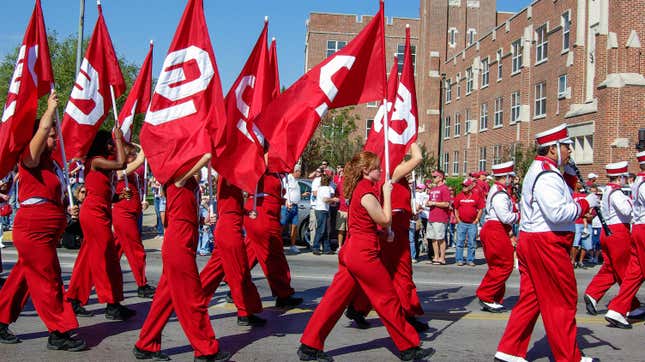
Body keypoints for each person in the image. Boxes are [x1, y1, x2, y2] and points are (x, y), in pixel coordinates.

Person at [298, 151, 434, 362]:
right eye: (377, 167)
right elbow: (386, 219)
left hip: (355, 250)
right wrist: (388, 194)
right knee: (387, 298)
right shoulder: (367, 193)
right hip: (363, 254)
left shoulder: (362, 189)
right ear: (365, 170)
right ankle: (408, 347)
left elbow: (363, 225)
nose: (381, 170)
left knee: (334, 300)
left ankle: (309, 345)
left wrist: (380, 233)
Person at [494, 123, 599, 362]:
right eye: (567, 147)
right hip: (547, 243)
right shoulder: (547, 175)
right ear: (553, 148)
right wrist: (586, 203)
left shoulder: (544, 170)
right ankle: (567, 357)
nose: (570, 151)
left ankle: (509, 350)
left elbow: (560, 202)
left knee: (532, 299)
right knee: (562, 300)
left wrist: (574, 186)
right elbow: (557, 213)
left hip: (535, 240)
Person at [0, 91, 85, 350]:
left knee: (24, 277)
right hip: (33, 229)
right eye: (50, 135)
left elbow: (54, 193)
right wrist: (49, 110)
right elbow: (37, 142)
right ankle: (59, 331)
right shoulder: (29, 159)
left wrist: (69, 209)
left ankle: (1, 318)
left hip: (49, 228)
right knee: (49, 278)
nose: (55, 138)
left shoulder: (53, 165)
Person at [134, 154, 231, 361]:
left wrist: (203, 219)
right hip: (178, 243)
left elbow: (186, 210)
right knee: (193, 298)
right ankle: (205, 348)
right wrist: (208, 149)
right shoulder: (177, 177)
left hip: (186, 239)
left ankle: (146, 343)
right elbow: (205, 156)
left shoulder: (192, 182)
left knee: (164, 299)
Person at [65, 129, 135, 320]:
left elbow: (108, 194)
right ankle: (112, 303)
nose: (112, 146)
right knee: (106, 257)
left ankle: (73, 297)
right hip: (94, 214)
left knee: (87, 258)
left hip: (102, 212)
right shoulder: (95, 160)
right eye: (109, 143)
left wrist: (120, 196)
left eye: (113, 143)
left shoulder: (104, 166)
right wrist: (120, 139)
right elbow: (122, 163)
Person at [583, 161, 640, 319]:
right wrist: (634, 201)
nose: (626, 180)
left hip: (607, 231)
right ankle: (630, 305)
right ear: (620, 177)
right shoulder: (617, 193)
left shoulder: (607, 190)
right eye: (625, 177)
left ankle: (593, 294)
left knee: (611, 268)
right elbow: (627, 211)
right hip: (618, 232)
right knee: (625, 269)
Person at [244, 166, 303, 308]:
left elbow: (272, 193)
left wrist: (283, 201)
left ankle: (236, 282)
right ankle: (283, 293)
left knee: (251, 253)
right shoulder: (261, 165)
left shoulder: (276, 171)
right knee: (274, 255)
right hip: (262, 213)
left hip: (270, 211)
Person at [603, 151, 645, 328]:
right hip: (641, 228)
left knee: (635, 273)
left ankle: (617, 309)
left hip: (637, 228)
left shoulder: (638, 182)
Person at [112, 143, 155, 298]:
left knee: (111, 254)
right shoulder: (118, 169)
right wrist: (142, 154)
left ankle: (101, 278)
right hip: (123, 215)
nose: (134, 158)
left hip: (132, 214)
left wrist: (142, 201)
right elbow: (119, 174)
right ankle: (142, 285)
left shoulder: (133, 174)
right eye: (131, 155)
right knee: (136, 251)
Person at [476, 161, 519, 313]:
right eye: (511, 177)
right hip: (495, 230)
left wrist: (510, 234)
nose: (513, 180)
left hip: (496, 230)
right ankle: (487, 294)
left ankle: (494, 297)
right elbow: (505, 217)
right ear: (506, 177)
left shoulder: (498, 190)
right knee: (504, 265)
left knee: (497, 265)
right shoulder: (500, 194)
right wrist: (521, 215)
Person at [453, 178, 484, 266]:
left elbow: (481, 208)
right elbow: (455, 208)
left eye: (465, 186)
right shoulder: (459, 196)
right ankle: (459, 259)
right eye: (463, 186)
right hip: (462, 223)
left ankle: (470, 259)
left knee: (472, 242)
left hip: (472, 223)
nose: (464, 187)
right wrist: (458, 219)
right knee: (460, 242)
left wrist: (477, 219)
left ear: (470, 186)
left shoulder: (476, 196)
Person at [426, 170, 450, 265]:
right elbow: (430, 201)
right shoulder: (433, 189)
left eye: (435, 177)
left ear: (441, 177)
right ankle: (436, 256)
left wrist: (434, 203)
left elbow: (447, 203)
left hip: (440, 217)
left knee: (440, 238)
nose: (433, 178)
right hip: (432, 216)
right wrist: (428, 203)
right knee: (433, 238)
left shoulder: (444, 189)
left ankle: (442, 257)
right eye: (433, 177)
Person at [311, 174, 338, 255]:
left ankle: (326, 248)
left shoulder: (320, 188)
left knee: (325, 230)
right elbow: (325, 199)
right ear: (328, 181)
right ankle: (316, 247)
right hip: (322, 210)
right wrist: (334, 199)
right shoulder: (326, 188)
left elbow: (325, 200)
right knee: (321, 230)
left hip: (321, 209)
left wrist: (331, 202)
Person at [571, 181, 593, 268]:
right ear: (575, 184)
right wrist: (582, 213)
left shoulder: (585, 196)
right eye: (578, 182)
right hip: (576, 222)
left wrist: (590, 214)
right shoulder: (571, 195)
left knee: (586, 244)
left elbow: (590, 209)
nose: (580, 184)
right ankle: (572, 260)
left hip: (587, 223)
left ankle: (581, 261)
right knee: (575, 243)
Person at [282, 166, 302, 254]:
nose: (300, 173)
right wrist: (287, 201)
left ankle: (293, 246)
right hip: (287, 206)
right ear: (295, 171)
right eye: (299, 171)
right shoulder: (287, 179)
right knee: (282, 226)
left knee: (295, 226)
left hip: (295, 206)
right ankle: (278, 245)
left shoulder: (296, 181)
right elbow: (285, 191)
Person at [334, 165, 349, 248]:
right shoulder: (339, 183)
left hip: (349, 210)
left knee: (348, 230)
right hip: (341, 209)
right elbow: (336, 194)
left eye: (344, 171)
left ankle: (347, 246)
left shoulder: (350, 183)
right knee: (341, 229)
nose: (342, 173)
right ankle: (340, 246)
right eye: (341, 171)